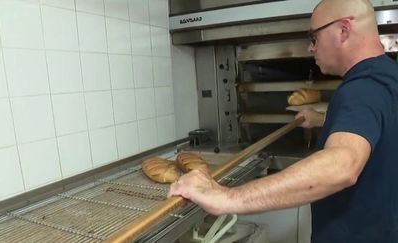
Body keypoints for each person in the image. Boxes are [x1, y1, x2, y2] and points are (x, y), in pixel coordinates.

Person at [169, 0, 398, 242]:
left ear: (343, 30)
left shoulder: (362, 88)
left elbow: (341, 167)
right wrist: (321, 119)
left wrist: (225, 198)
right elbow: (378, 124)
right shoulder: (387, 76)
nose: (311, 48)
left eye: (314, 37)